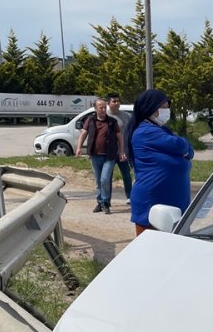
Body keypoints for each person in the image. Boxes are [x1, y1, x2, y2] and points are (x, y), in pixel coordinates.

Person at [125, 89, 194, 237]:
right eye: (163, 107)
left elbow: (189, 150)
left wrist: (186, 149)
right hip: (152, 205)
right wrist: (184, 150)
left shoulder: (162, 129)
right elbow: (180, 145)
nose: (167, 110)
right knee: (153, 255)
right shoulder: (145, 132)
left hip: (172, 205)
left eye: (167, 106)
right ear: (150, 108)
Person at [76, 97, 121, 214]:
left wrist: (122, 151)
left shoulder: (112, 121)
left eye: (105, 107)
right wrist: (79, 147)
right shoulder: (90, 120)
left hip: (109, 155)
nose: (103, 110)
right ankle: (100, 202)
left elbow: (119, 136)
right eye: (101, 108)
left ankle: (105, 202)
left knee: (105, 179)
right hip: (95, 155)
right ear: (95, 108)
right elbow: (84, 133)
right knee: (98, 181)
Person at [106, 92, 134, 202]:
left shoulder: (126, 116)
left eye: (118, 101)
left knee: (126, 175)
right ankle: (107, 199)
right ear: (108, 103)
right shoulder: (105, 116)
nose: (117, 103)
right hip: (109, 152)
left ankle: (130, 197)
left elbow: (130, 132)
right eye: (114, 101)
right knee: (107, 176)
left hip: (123, 152)